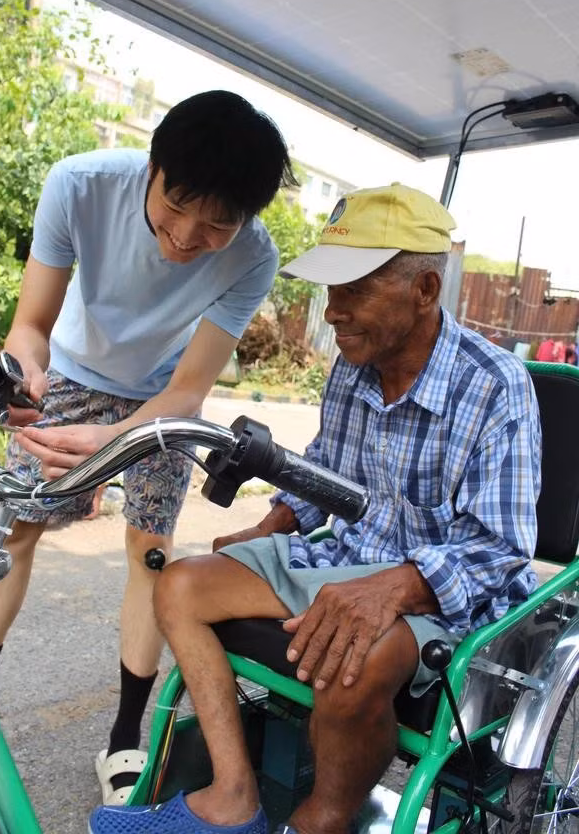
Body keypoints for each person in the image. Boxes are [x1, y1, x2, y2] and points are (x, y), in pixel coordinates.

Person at [89, 182, 542, 834]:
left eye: (354, 289)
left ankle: (321, 820)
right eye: (332, 291)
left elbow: (499, 549)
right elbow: (323, 470)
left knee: (351, 662)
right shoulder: (355, 365)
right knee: (181, 586)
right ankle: (234, 795)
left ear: (424, 291)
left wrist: (393, 587)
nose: (332, 312)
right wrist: (272, 523)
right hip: (347, 561)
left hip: (447, 598)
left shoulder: (497, 386)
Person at [0, 89, 297, 806]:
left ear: (247, 218)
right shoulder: (79, 185)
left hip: (160, 398)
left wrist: (116, 438)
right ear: (152, 166)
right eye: (175, 206)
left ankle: (123, 739)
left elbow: (188, 392)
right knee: (16, 529)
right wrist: (25, 376)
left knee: (151, 550)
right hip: (70, 373)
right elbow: (32, 325)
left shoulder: (254, 257)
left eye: (216, 225)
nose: (185, 237)